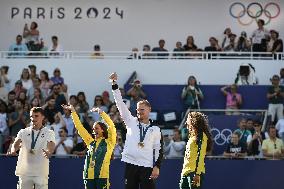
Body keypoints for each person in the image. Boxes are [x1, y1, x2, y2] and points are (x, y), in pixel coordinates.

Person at [109, 72, 163, 189]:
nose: (139, 112)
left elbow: (159, 149)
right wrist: (114, 84)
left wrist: (157, 166)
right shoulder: (130, 121)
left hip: (147, 166)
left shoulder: (155, 129)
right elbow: (120, 103)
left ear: (149, 110)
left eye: (142, 109)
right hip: (131, 164)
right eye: (138, 110)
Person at [62, 104, 116, 189]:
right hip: (88, 176)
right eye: (93, 129)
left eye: (96, 128)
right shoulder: (90, 142)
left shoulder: (109, 142)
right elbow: (79, 127)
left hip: (102, 177)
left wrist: (101, 113)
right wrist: (73, 111)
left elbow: (111, 126)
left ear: (102, 130)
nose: (94, 130)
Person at [7, 107, 55, 189]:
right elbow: (16, 143)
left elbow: (51, 144)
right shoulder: (23, 132)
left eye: (36, 116)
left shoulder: (49, 132)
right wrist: (13, 150)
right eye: (31, 116)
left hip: (41, 172)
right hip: (25, 172)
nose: (33, 118)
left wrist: (49, 152)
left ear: (43, 117)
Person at [180, 112, 212, 189]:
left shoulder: (201, 135)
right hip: (186, 172)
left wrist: (197, 174)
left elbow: (200, 155)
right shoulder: (191, 136)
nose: (186, 122)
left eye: (187, 120)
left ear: (193, 121)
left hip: (194, 172)